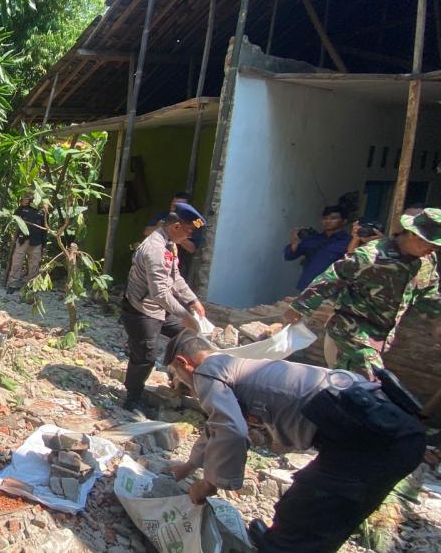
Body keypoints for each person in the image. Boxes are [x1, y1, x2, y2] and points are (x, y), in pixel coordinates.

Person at [163, 329, 425, 553]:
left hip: (372, 438)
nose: (186, 385)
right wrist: (188, 466)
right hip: (385, 430)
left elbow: (231, 430)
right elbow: (217, 426)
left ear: (183, 362)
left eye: (180, 378)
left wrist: (209, 483)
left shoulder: (207, 372)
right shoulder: (236, 365)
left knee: (307, 518)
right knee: (313, 514)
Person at [284, 208, 441, 380]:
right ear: (414, 235)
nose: (433, 250)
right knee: (368, 388)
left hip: (380, 337)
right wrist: (299, 308)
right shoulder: (371, 256)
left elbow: (428, 292)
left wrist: (437, 318)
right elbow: (331, 278)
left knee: (349, 391)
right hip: (353, 332)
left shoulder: (426, 260)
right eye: (431, 244)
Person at [122, 202, 207, 416]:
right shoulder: (155, 249)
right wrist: (184, 314)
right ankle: (132, 399)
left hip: (159, 308)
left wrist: (192, 300)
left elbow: (174, 277)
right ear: (176, 226)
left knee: (185, 335)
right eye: (188, 231)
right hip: (142, 310)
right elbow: (160, 293)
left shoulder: (169, 243)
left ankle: (180, 377)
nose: (189, 236)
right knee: (145, 356)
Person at [283, 205, 350, 291]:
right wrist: (295, 241)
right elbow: (289, 256)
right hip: (308, 286)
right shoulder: (313, 239)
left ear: (344, 221)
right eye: (325, 218)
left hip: (333, 289)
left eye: (333, 218)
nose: (328, 221)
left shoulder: (349, 242)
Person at [144, 192, 202, 276]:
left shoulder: (194, 224)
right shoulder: (164, 216)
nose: (174, 209)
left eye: (179, 207)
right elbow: (146, 232)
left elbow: (192, 248)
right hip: (157, 260)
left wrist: (179, 234)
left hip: (179, 265)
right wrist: (158, 227)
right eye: (173, 205)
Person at [6, 193, 46, 294]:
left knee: (34, 265)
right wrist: (22, 204)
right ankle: (12, 284)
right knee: (17, 262)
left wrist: (44, 246)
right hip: (22, 240)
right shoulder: (23, 208)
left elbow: (45, 230)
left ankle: (31, 286)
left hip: (36, 242)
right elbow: (14, 216)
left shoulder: (42, 211)